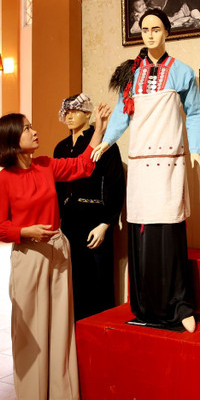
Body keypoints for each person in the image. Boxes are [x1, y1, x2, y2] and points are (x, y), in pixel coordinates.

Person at [0, 106, 111, 400]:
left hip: (58, 249)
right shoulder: (1, 182)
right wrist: (25, 231)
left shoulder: (45, 165)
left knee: (60, 325)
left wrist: (99, 128)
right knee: (28, 328)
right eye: (27, 129)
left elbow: (83, 165)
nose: (34, 132)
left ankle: (60, 397)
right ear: (12, 142)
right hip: (28, 254)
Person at [92, 7, 200, 334]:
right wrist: (107, 141)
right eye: (145, 30)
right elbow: (122, 116)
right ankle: (143, 305)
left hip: (170, 163)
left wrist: (194, 150)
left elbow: (194, 113)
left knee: (168, 234)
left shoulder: (182, 72)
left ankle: (180, 305)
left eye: (156, 29)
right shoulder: (132, 74)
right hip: (141, 165)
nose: (150, 34)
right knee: (141, 234)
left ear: (167, 32)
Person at [53, 93, 125, 322]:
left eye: (76, 111)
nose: (70, 116)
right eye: (67, 111)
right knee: (73, 279)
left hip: (96, 222)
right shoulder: (61, 147)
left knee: (99, 278)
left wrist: (106, 223)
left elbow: (115, 185)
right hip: (69, 223)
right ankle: (74, 331)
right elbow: (56, 188)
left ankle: (100, 331)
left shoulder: (106, 145)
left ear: (87, 113)